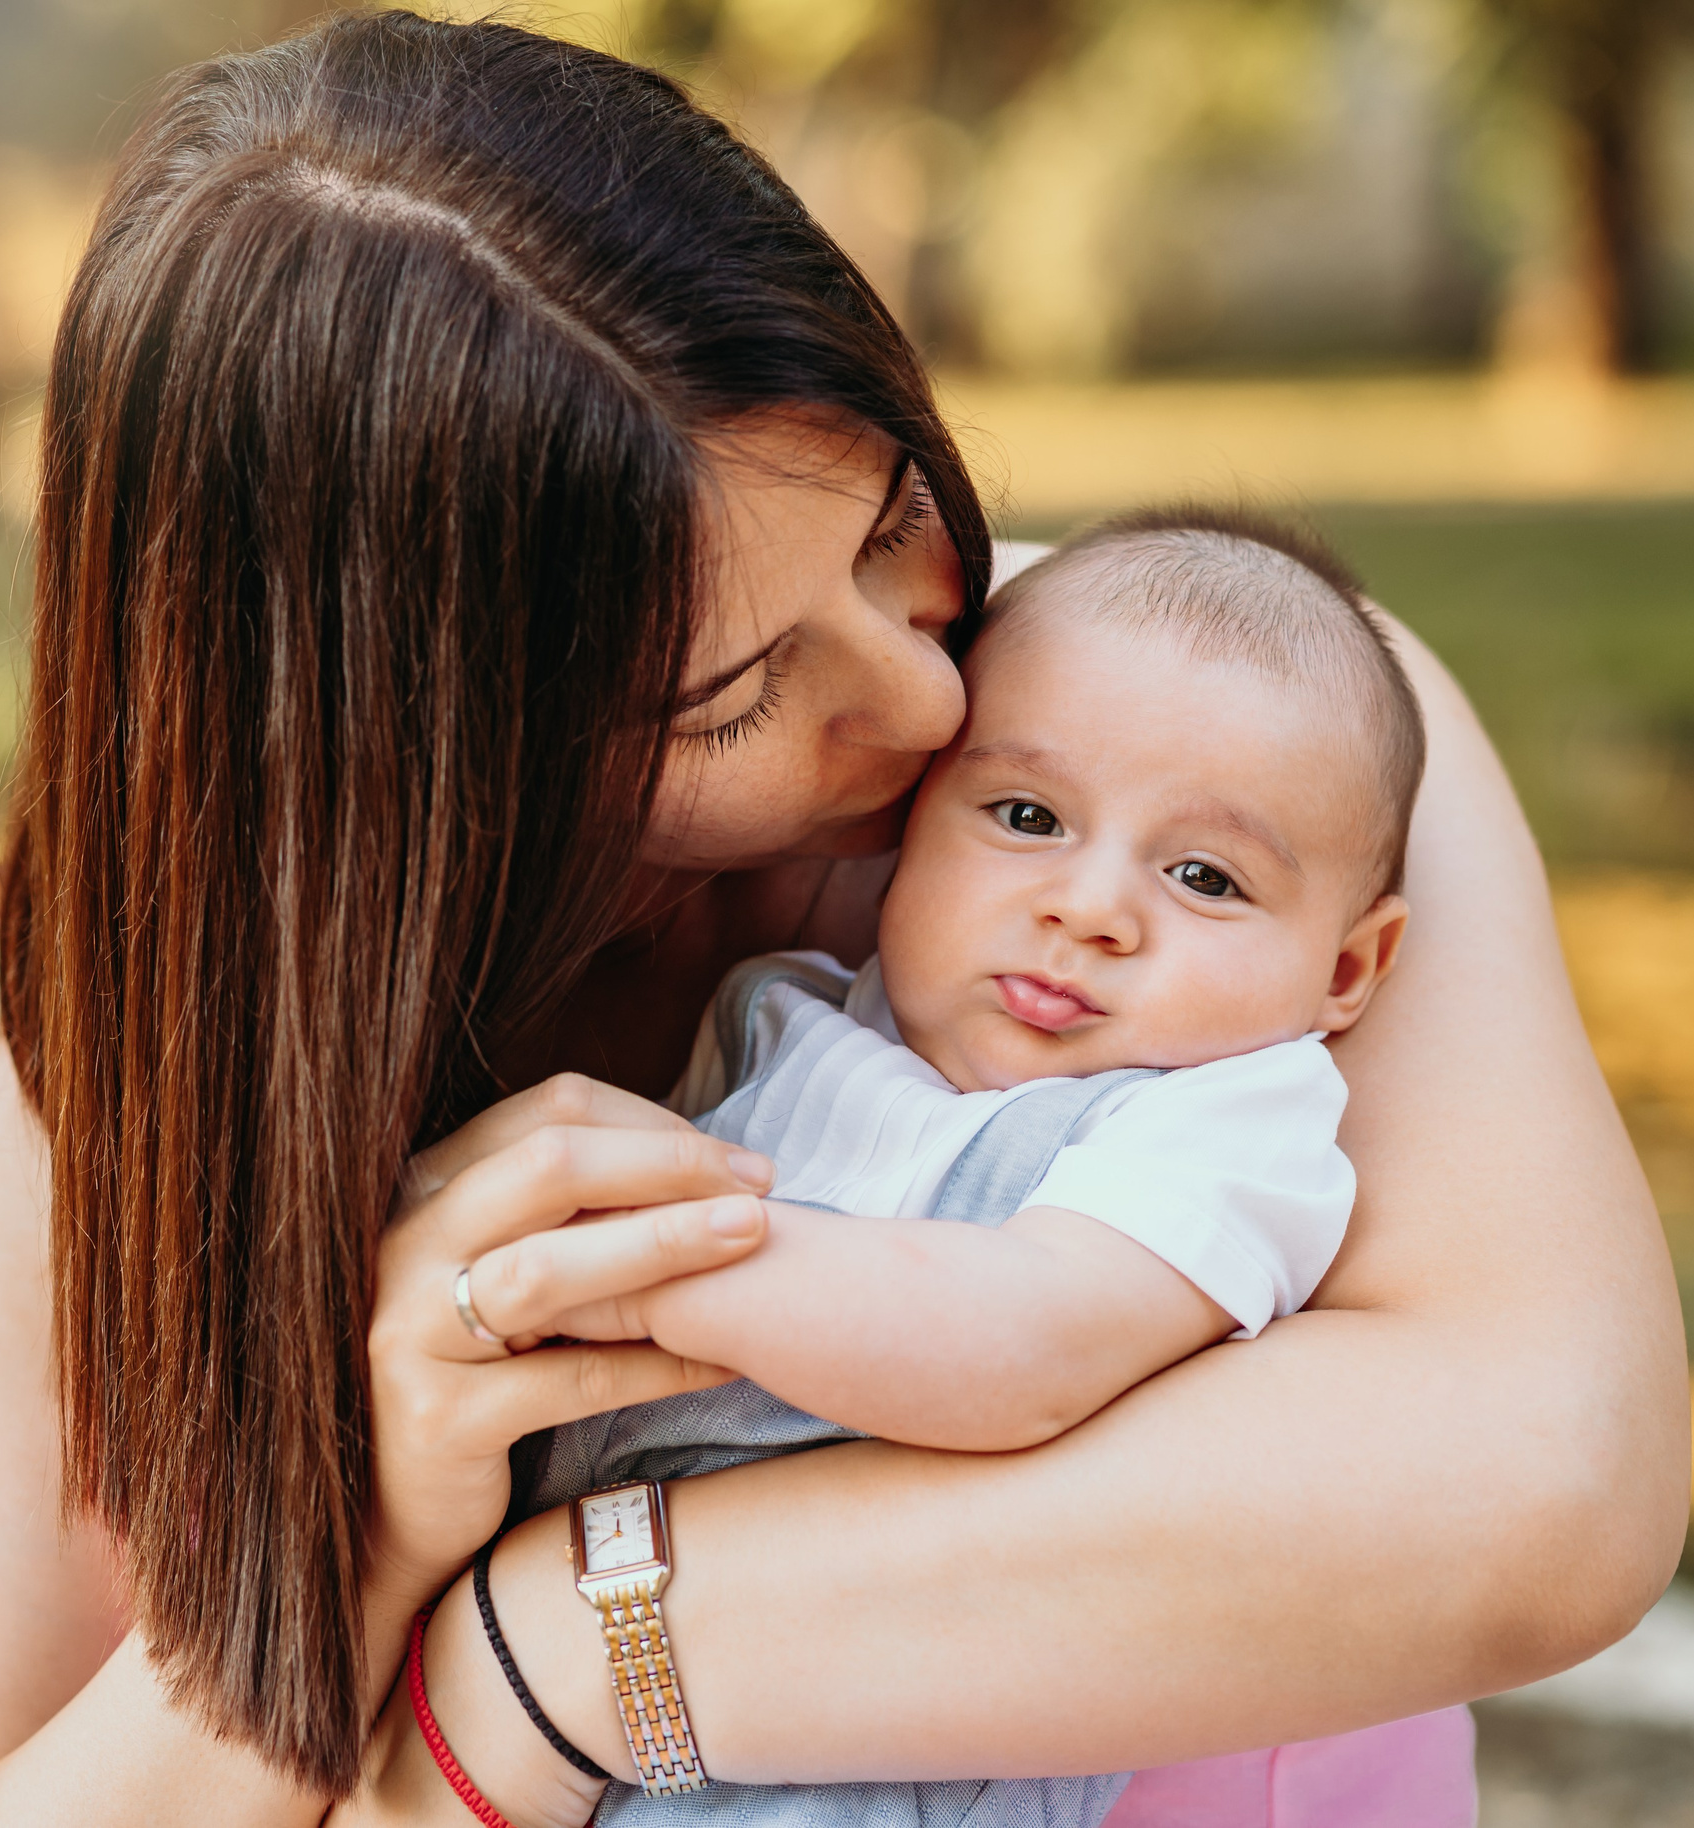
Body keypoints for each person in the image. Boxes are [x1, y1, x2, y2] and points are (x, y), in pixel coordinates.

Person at [0, 15, 1688, 1828]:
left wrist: (558, 1652)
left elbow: (1552, 1482)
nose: (932, 705)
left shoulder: (1235, 751)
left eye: (886, 525)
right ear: (416, 772)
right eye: (731, 695)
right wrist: (346, 1569)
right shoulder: (42, 1100)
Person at [472, 505, 1423, 1828]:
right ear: (913, 829)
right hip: (607, 1694)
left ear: (1343, 971)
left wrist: (644, 1273)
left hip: (882, 1747)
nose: (1089, 909)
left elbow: (1020, 1343)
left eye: (1205, 877)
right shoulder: (774, 1020)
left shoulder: (1223, 1127)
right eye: (1027, 814)